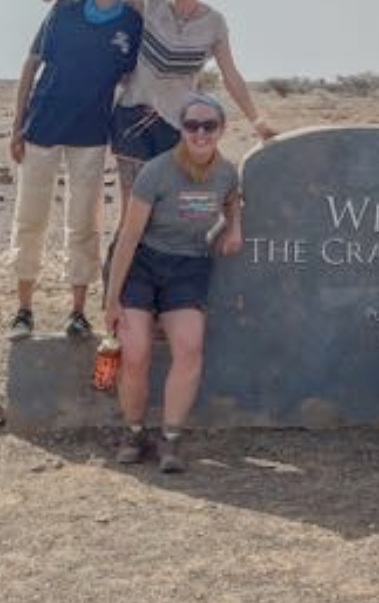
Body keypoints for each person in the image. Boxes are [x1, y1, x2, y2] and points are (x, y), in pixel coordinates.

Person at [45, 0, 278, 224]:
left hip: (181, 124)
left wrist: (257, 120)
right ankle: (122, 269)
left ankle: (184, 261)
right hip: (133, 118)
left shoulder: (214, 23)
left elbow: (231, 75)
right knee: (134, 210)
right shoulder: (151, 4)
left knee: (185, 206)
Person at [7, 0, 142, 342]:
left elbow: (129, 77)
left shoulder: (132, 24)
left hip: (91, 133)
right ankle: (23, 310)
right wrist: (17, 125)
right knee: (30, 219)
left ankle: (77, 313)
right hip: (43, 126)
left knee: (83, 223)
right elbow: (32, 64)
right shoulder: (64, 10)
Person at [103, 91, 243, 473]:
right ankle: (134, 432)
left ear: (221, 130)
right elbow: (129, 236)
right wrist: (112, 299)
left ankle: (171, 437)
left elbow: (232, 198)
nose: (200, 133)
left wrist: (234, 228)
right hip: (141, 263)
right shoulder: (157, 171)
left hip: (188, 265)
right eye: (191, 125)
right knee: (135, 351)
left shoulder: (227, 172)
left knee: (190, 346)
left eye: (208, 126)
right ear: (181, 129)